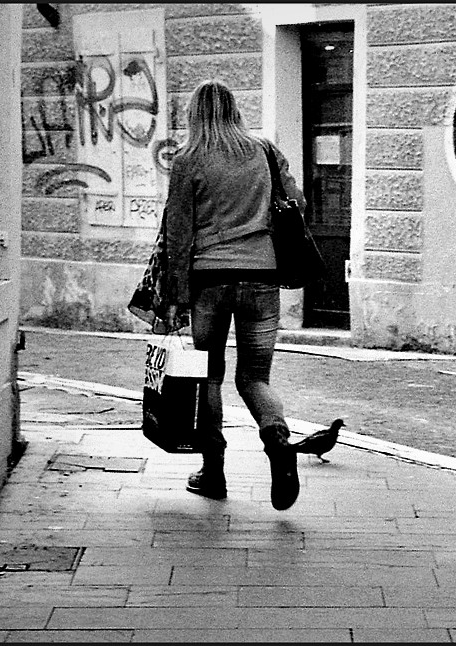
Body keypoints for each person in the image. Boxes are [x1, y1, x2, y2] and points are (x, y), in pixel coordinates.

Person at [146, 79, 308, 509]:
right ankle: (278, 441)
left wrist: (175, 295)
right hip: (262, 276)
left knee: (209, 377)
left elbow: (178, 231)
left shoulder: (188, 159)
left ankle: (213, 472)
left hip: (209, 280)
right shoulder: (264, 151)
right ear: (235, 109)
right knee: (255, 378)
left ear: (194, 114)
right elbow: (298, 202)